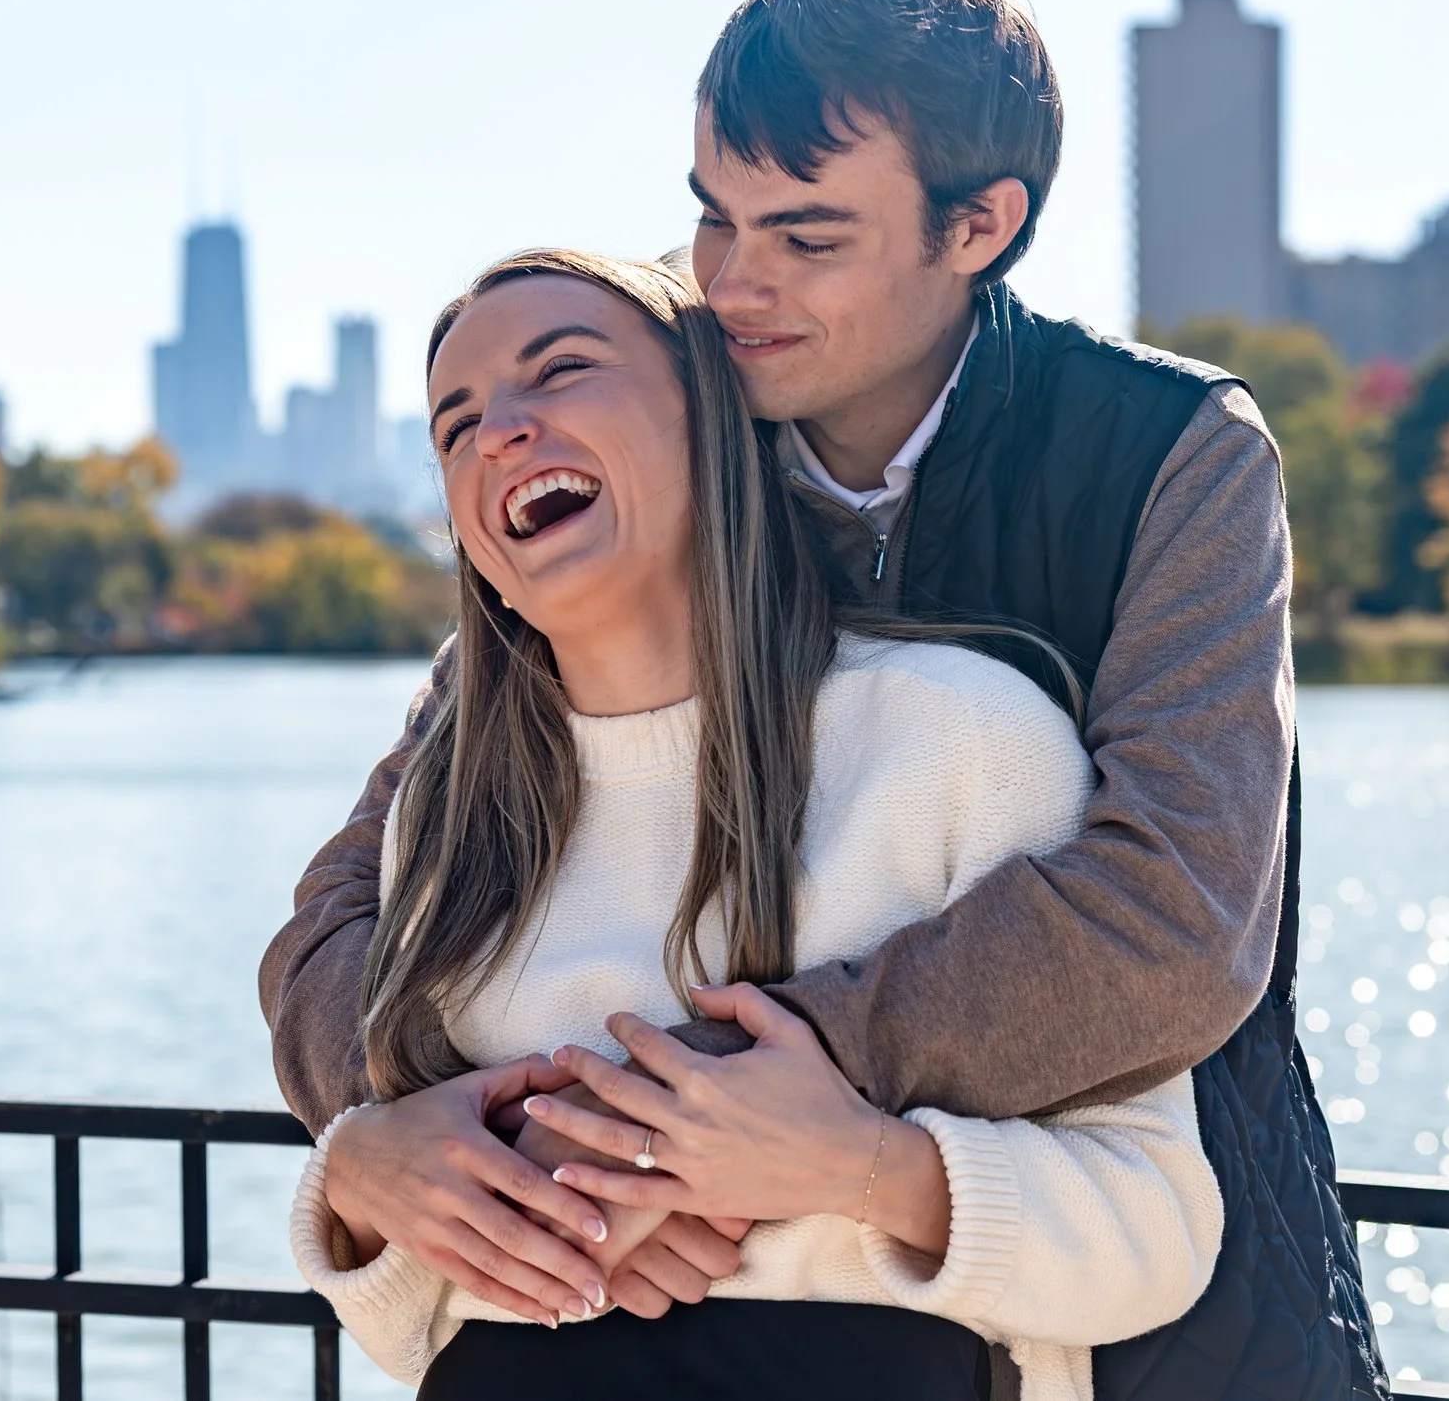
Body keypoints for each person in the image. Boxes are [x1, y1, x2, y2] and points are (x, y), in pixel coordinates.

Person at [263, 0, 1382, 1397]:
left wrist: (722, 1113)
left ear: (977, 224)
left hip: (1146, 1317)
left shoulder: (1169, 453)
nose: (734, 282)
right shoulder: (665, 432)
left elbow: (1174, 916)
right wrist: (408, 1141)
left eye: (806, 234)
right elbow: (354, 905)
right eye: (713, 219)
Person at [290, 248, 1222, 1401]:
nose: (498, 433)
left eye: (561, 370)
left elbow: (1156, 1232)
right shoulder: (446, 810)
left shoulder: (958, 736)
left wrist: (857, 1169)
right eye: (455, 422)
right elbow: (429, 1323)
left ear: (716, 422)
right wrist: (363, 1182)